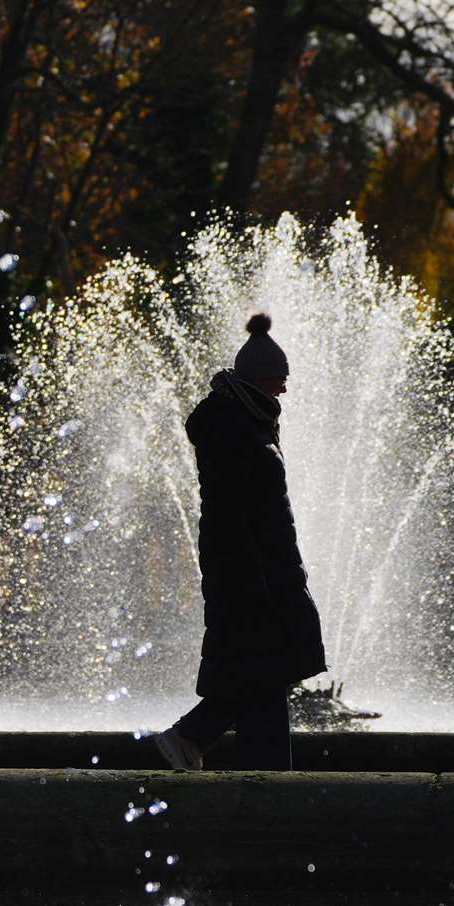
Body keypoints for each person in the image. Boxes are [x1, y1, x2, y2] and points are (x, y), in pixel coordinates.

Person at [153, 313, 326, 770]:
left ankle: (264, 774)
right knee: (264, 667)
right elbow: (235, 517)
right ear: (260, 379)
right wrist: (257, 583)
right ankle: (191, 735)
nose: (284, 391)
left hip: (260, 571)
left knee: (266, 670)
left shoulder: (246, 422)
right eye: (278, 380)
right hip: (252, 575)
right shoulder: (235, 430)